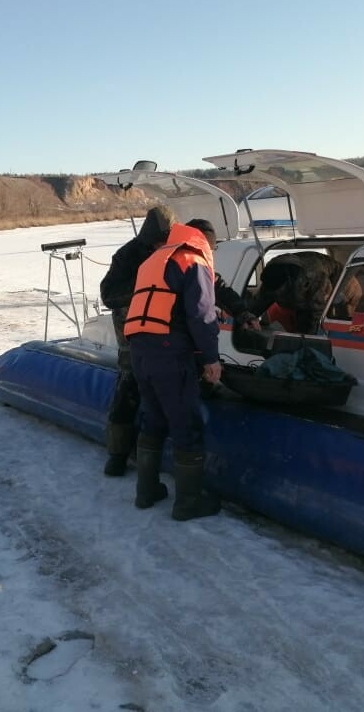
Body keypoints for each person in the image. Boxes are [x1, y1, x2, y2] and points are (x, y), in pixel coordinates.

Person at [124, 220, 223, 521]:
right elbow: (202, 314)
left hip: (140, 351)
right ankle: (188, 503)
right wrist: (211, 359)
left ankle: (146, 491)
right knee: (186, 425)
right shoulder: (191, 259)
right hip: (170, 354)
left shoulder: (154, 260)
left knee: (153, 418)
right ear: (204, 242)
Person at [98, 205, 176, 476]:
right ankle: (117, 454)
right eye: (156, 242)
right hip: (132, 333)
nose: (159, 247)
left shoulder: (177, 251)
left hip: (167, 332)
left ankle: (157, 453)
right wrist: (145, 282)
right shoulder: (127, 256)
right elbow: (108, 295)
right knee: (127, 390)